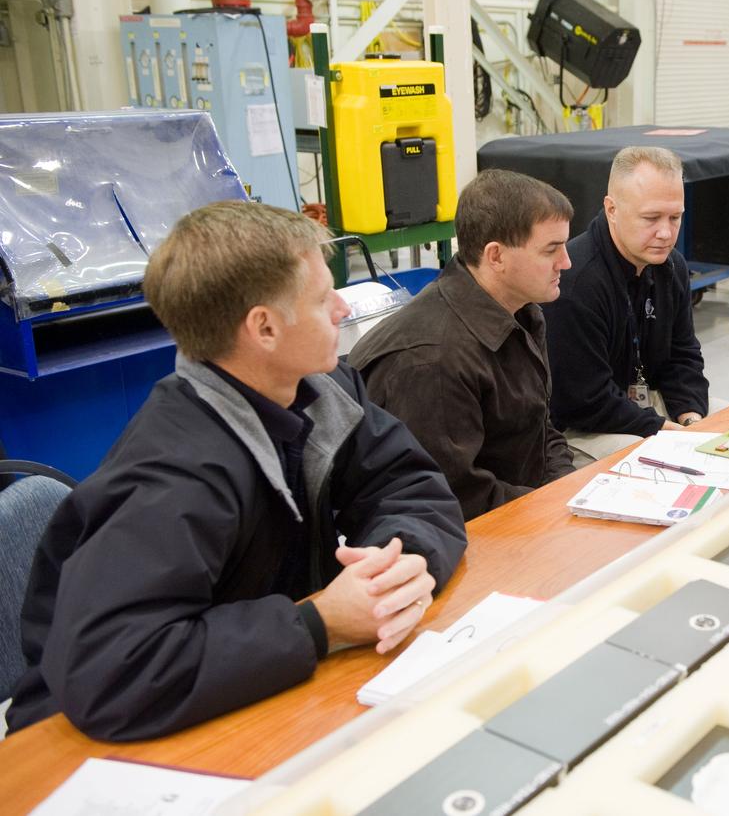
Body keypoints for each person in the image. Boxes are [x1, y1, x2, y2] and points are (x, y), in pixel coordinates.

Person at [6, 202, 468, 742]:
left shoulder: (321, 390)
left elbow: (410, 485)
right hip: (92, 745)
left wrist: (398, 562)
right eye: (322, 299)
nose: (342, 307)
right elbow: (113, 670)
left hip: (248, 689)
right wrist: (319, 622)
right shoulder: (174, 474)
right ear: (264, 328)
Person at [348, 170, 576, 520]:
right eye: (551, 250)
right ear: (496, 256)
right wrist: (553, 512)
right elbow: (456, 497)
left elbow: (541, 429)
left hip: (520, 505)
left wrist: (569, 491)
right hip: (465, 532)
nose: (566, 262)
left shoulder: (522, 312)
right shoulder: (431, 360)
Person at [543, 146, 710, 464]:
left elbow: (684, 355)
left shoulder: (670, 265)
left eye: (675, 217)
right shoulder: (575, 283)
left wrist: (691, 417)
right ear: (612, 209)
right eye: (651, 218)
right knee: (671, 466)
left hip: (646, 408)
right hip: (584, 427)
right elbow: (583, 400)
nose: (665, 232)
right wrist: (662, 428)